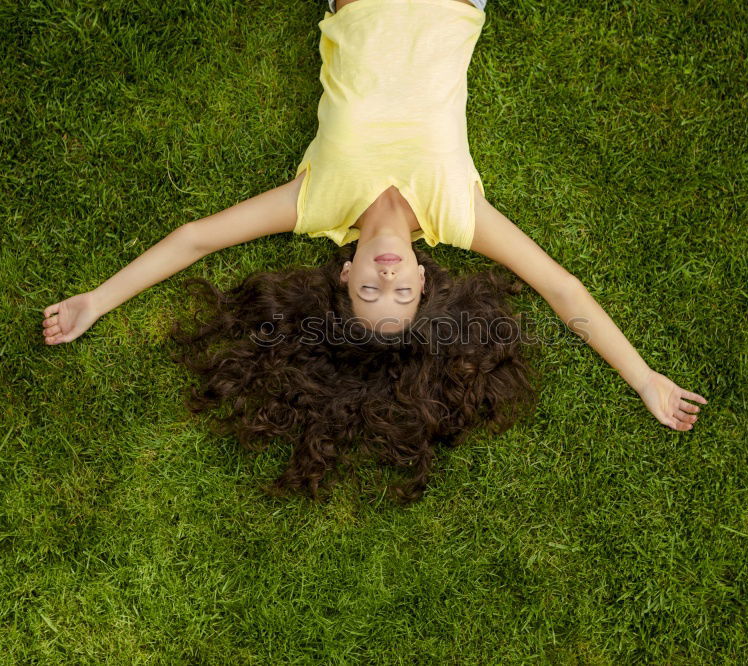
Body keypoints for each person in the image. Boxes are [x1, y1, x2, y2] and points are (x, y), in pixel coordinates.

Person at [41, 0, 708, 503]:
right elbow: (564, 292)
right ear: (423, 278)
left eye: (368, 292)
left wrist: (97, 300)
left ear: (345, 272)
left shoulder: (315, 203)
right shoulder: (459, 214)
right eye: (401, 293)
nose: (386, 278)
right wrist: (644, 377)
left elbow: (195, 239)